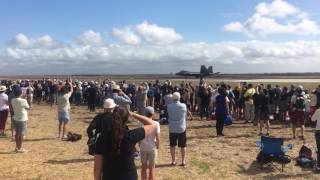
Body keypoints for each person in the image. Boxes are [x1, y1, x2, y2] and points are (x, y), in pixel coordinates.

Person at [93, 106, 156, 180]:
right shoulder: (131, 136)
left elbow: (97, 168)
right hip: (129, 176)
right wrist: (133, 114)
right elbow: (152, 124)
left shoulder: (102, 138)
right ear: (127, 119)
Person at [139, 106, 160, 180]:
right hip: (152, 147)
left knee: (143, 167)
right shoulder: (156, 123)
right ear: (153, 114)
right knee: (152, 168)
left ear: (145, 114)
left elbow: (139, 136)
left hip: (143, 147)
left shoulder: (141, 123)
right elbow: (157, 137)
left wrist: (139, 144)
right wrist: (157, 146)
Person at [167, 92, 187, 166]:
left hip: (172, 128)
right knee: (183, 145)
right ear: (179, 98)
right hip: (181, 127)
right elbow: (185, 115)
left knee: (172, 145)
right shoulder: (183, 106)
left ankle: (173, 161)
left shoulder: (169, 106)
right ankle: (183, 161)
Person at [11, 87, 30, 153]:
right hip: (22, 118)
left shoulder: (13, 100)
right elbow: (28, 108)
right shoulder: (23, 100)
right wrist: (25, 99)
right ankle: (20, 148)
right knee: (21, 134)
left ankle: (17, 147)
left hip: (16, 118)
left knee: (17, 134)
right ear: (21, 93)